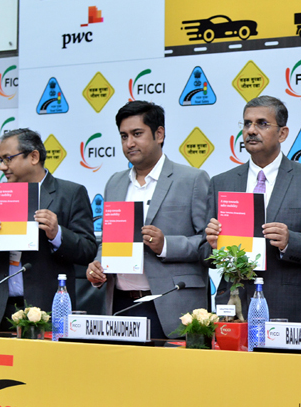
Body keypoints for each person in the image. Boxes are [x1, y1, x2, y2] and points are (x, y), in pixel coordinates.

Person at [204, 96, 301, 323]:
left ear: (282, 134)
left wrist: (290, 242)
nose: (251, 130)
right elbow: (204, 254)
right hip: (235, 308)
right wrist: (213, 246)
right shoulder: (222, 183)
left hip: (291, 307)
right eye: (247, 123)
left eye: (262, 123)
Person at [86, 101, 209, 339]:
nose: (129, 143)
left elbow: (208, 245)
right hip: (120, 304)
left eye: (137, 134)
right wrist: (98, 265)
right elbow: (110, 241)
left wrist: (166, 245)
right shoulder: (115, 182)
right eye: (124, 136)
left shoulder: (192, 179)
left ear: (159, 134)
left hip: (171, 304)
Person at [0, 128, 96, 331]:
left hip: (47, 311)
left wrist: (57, 234)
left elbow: (88, 250)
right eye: (0, 160)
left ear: (34, 157)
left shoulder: (70, 194)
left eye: (8, 159)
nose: (2, 167)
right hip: (1, 311)